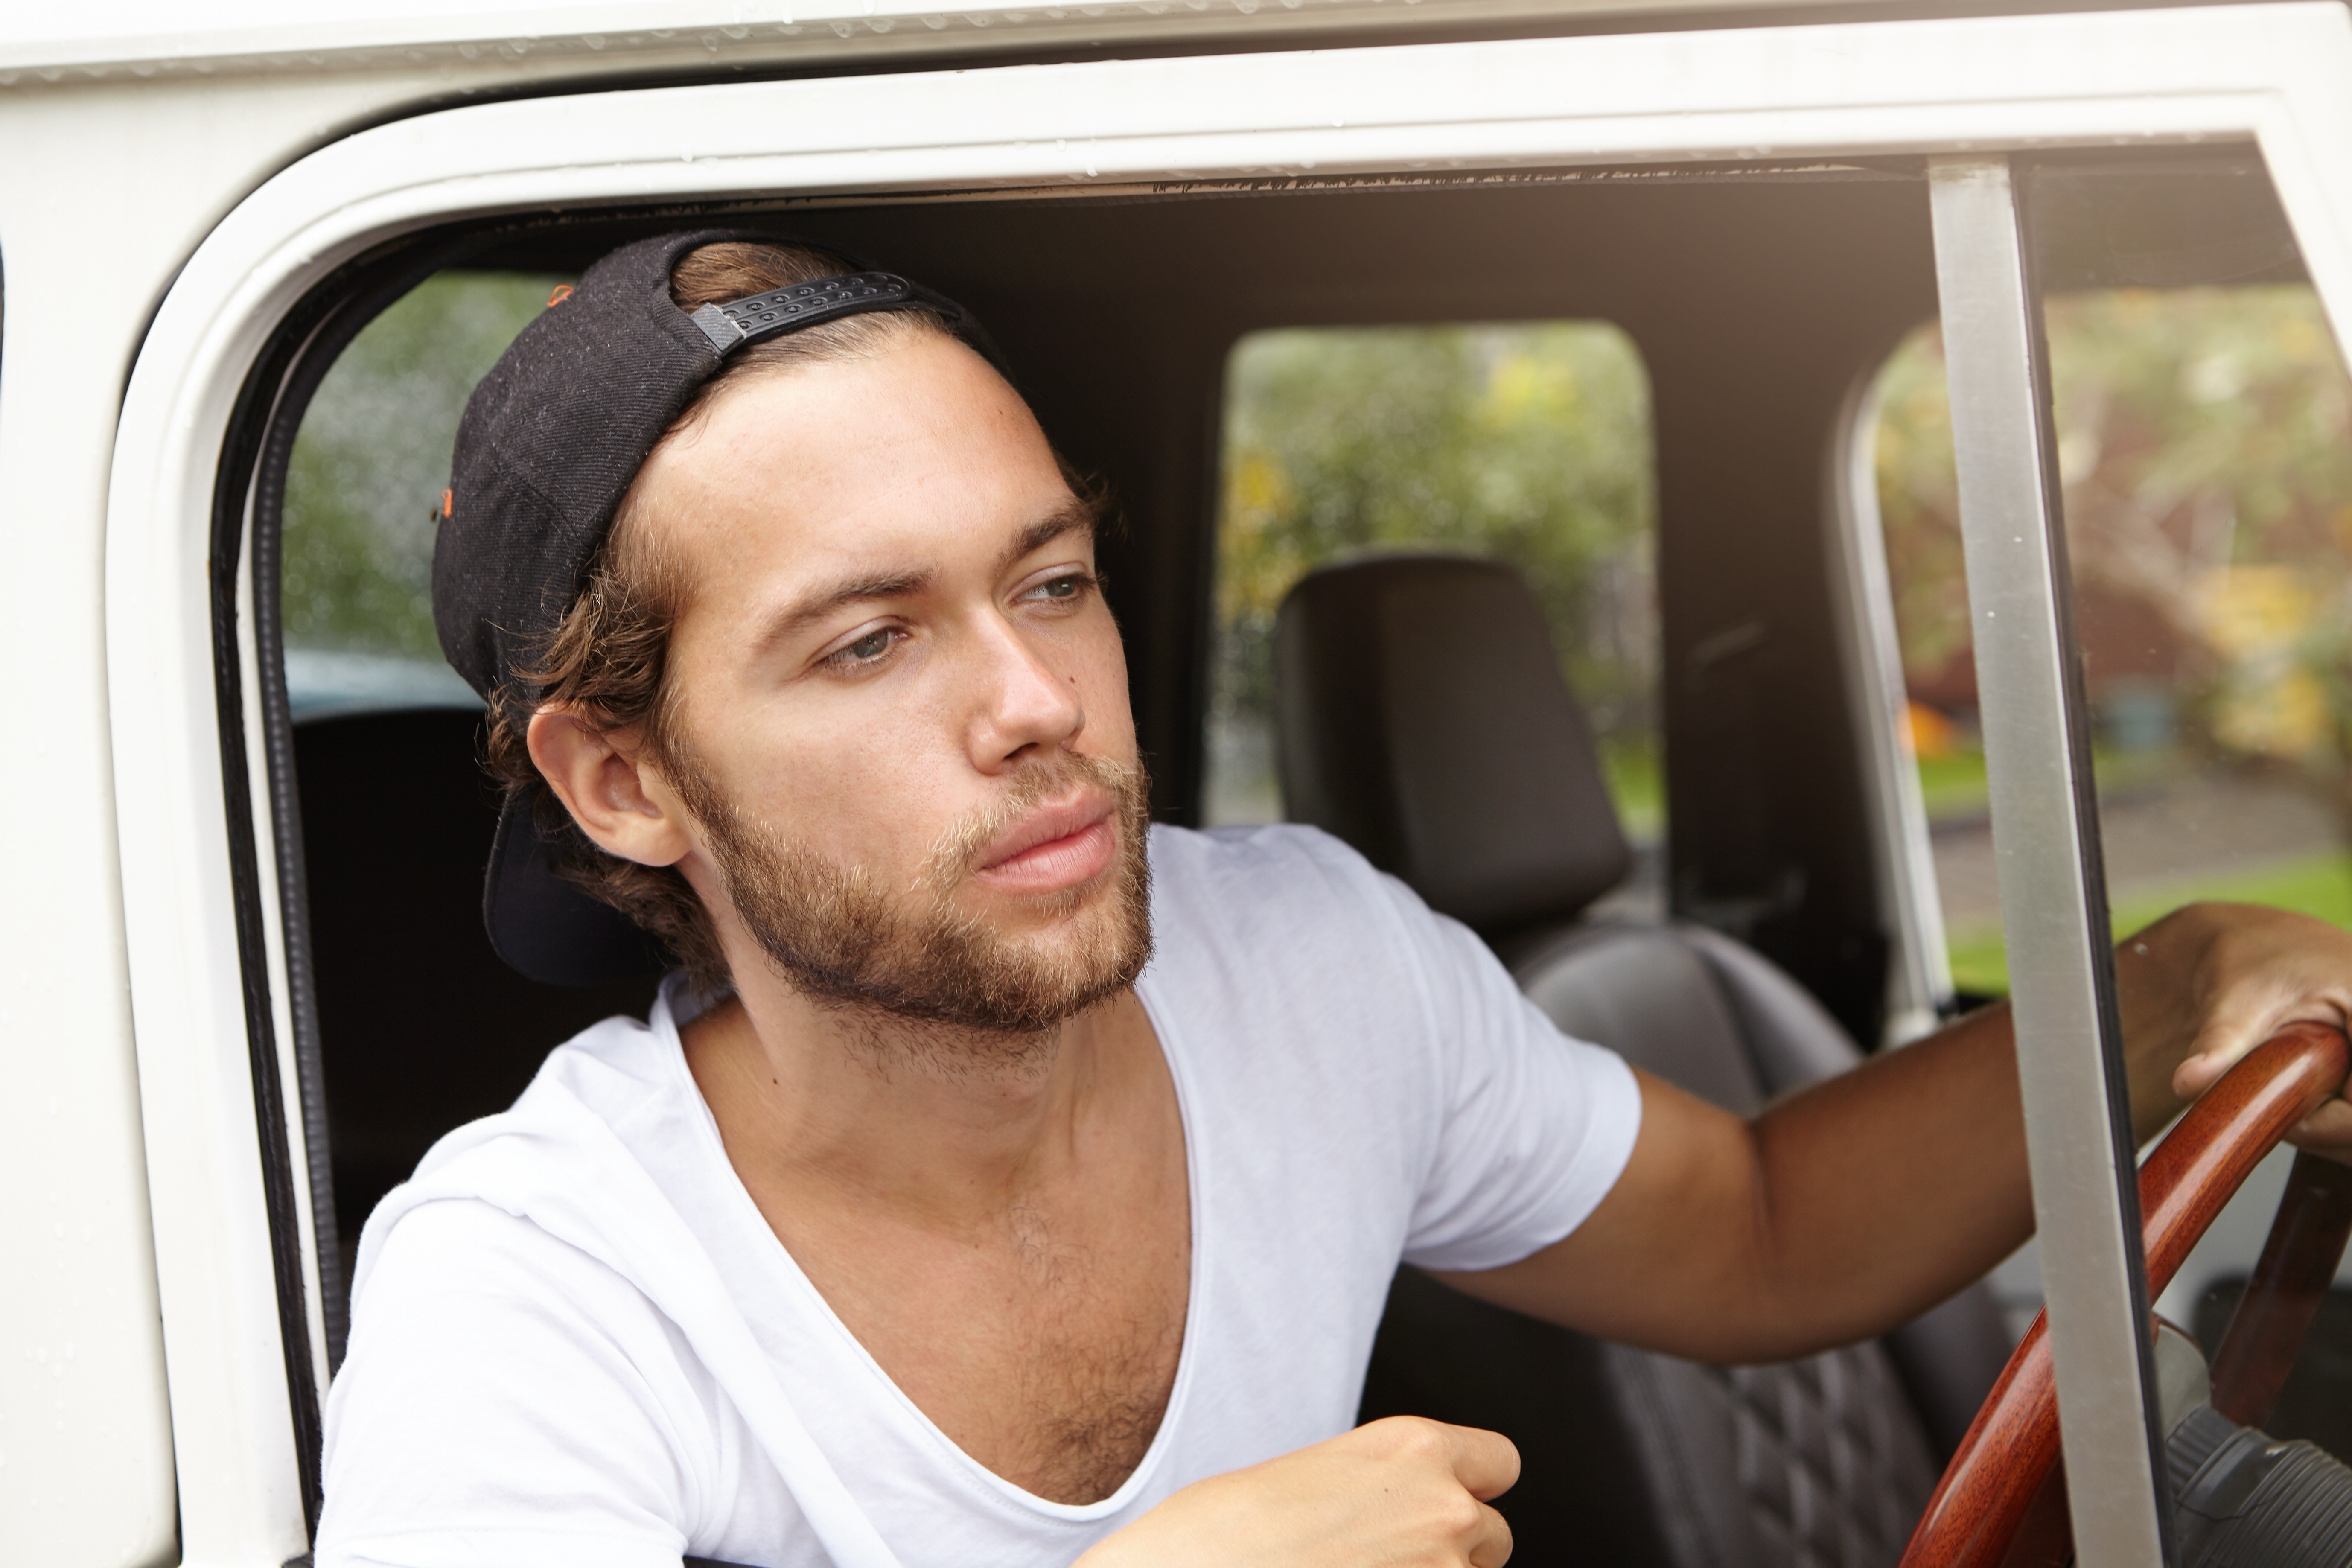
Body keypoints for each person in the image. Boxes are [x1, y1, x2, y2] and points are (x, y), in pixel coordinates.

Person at [315, 230, 2352, 1568]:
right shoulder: (537, 1286)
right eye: (867, 643)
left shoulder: (1298, 954)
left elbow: (1758, 1226)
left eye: (1048, 583)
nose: (1038, 703)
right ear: (630, 778)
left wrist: (2163, 994)